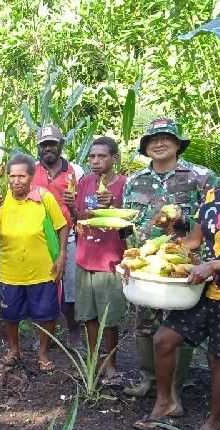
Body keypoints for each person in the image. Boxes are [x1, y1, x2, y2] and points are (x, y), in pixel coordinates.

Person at [134, 135, 220, 430]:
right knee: (164, 339)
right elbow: (195, 241)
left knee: (219, 358)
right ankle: (166, 403)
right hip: (202, 287)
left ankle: (214, 422)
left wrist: (214, 266)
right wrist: (154, 252)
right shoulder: (213, 197)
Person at [122, 118, 219, 411]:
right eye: (153, 139)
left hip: (183, 264)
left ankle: (175, 385)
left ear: (177, 143)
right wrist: (130, 258)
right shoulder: (135, 180)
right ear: (146, 147)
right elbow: (127, 224)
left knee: (180, 326)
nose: (159, 143)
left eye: (166, 138)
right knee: (143, 323)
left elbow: (213, 221)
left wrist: (184, 225)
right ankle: (149, 379)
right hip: (147, 264)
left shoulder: (201, 177)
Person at [0, 153, 68, 371]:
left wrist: (62, 255)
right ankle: (14, 350)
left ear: (32, 177)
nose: (16, 181)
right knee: (10, 315)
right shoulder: (1, 201)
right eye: (12, 176)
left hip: (42, 270)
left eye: (21, 176)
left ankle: (42, 353)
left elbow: (62, 225)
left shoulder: (44, 197)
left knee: (46, 314)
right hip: (10, 271)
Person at [69, 137, 127, 380]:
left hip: (110, 260)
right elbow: (80, 218)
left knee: (109, 317)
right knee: (89, 315)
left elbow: (131, 224)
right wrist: (72, 208)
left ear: (114, 158)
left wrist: (113, 207)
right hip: (85, 258)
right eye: (92, 156)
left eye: (101, 156)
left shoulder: (124, 185)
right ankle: (94, 360)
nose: (95, 161)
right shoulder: (84, 183)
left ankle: (111, 363)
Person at [33, 125, 84, 346]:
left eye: (52, 144)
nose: (48, 149)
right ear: (38, 148)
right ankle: (47, 335)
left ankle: (73, 332)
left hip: (70, 236)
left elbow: (83, 205)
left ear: (61, 145)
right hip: (40, 239)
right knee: (43, 289)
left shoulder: (76, 171)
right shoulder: (31, 171)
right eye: (44, 145)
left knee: (71, 289)